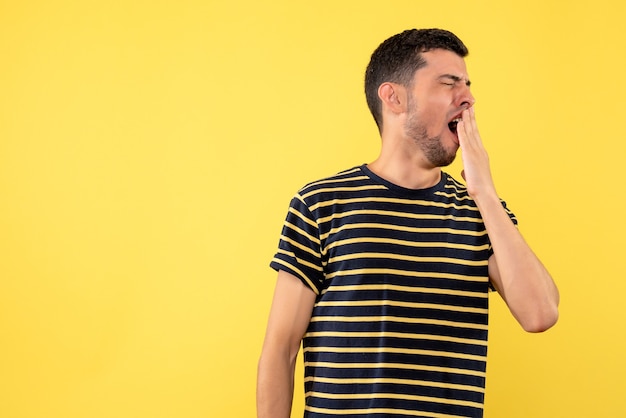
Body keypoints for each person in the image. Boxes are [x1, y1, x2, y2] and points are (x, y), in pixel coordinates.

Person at [257, 28, 559, 418]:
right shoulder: (321, 204)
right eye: (449, 83)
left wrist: (484, 192)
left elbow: (540, 314)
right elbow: (280, 349)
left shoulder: (480, 213)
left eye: (467, 85)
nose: (467, 98)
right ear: (394, 97)